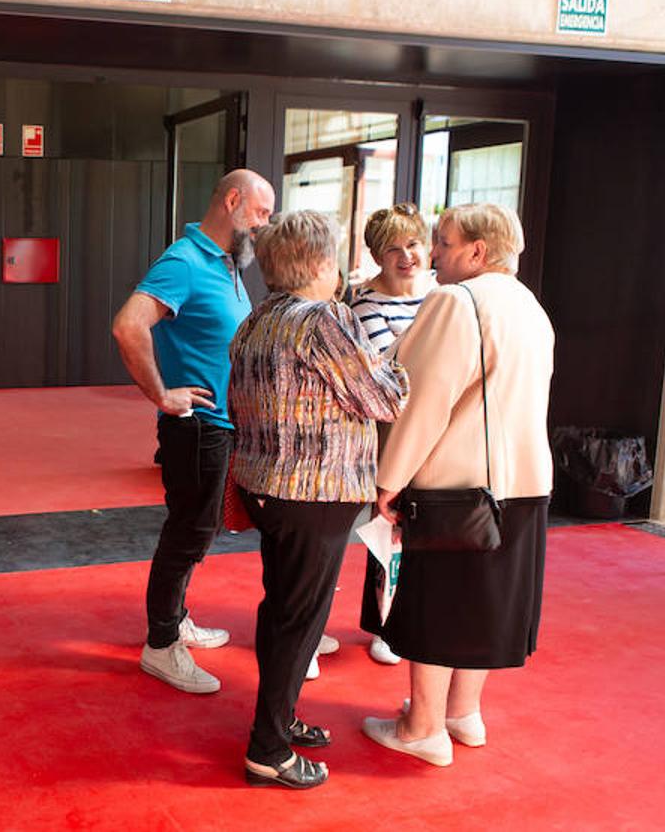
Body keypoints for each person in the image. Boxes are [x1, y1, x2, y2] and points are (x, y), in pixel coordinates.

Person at [362, 203, 554, 768]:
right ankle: (461, 714)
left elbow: (426, 401)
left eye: (443, 243)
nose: (433, 254)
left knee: (442, 603)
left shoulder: (457, 301)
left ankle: (421, 728)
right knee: (485, 604)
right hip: (524, 482)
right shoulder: (529, 306)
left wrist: (388, 480)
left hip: (458, 487)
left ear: (477, 251)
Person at [228, 210, 408, 789]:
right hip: (314, 493)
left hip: (266, 488)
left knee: (282, 610)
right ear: (322, 263)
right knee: (298, 618)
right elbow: (382, 398)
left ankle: (278, 720)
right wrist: (400, 368)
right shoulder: (324, 320)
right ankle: (269, 749)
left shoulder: (257, 320)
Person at [110, 168, 273, 694]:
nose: (266, 225)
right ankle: (161, 645)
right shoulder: (183, 260)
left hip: (220, 427)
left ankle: (175, 619)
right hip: (197, 428)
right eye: (261, 213)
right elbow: (127, 324)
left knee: (197, 532)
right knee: (188, 534)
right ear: (232, 201)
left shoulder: (227, 263)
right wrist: (161, 394)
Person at [343, 203, 438, 669]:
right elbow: (393, 368)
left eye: (414, 244)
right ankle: (385, 624)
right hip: (391, 431)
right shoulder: (363, 302)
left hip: (437, 431)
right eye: (393, 249)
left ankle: (415, 618)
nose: (406, 257)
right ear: (377, 255)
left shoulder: (439, 296)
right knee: (391, 528)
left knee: (429, 531)